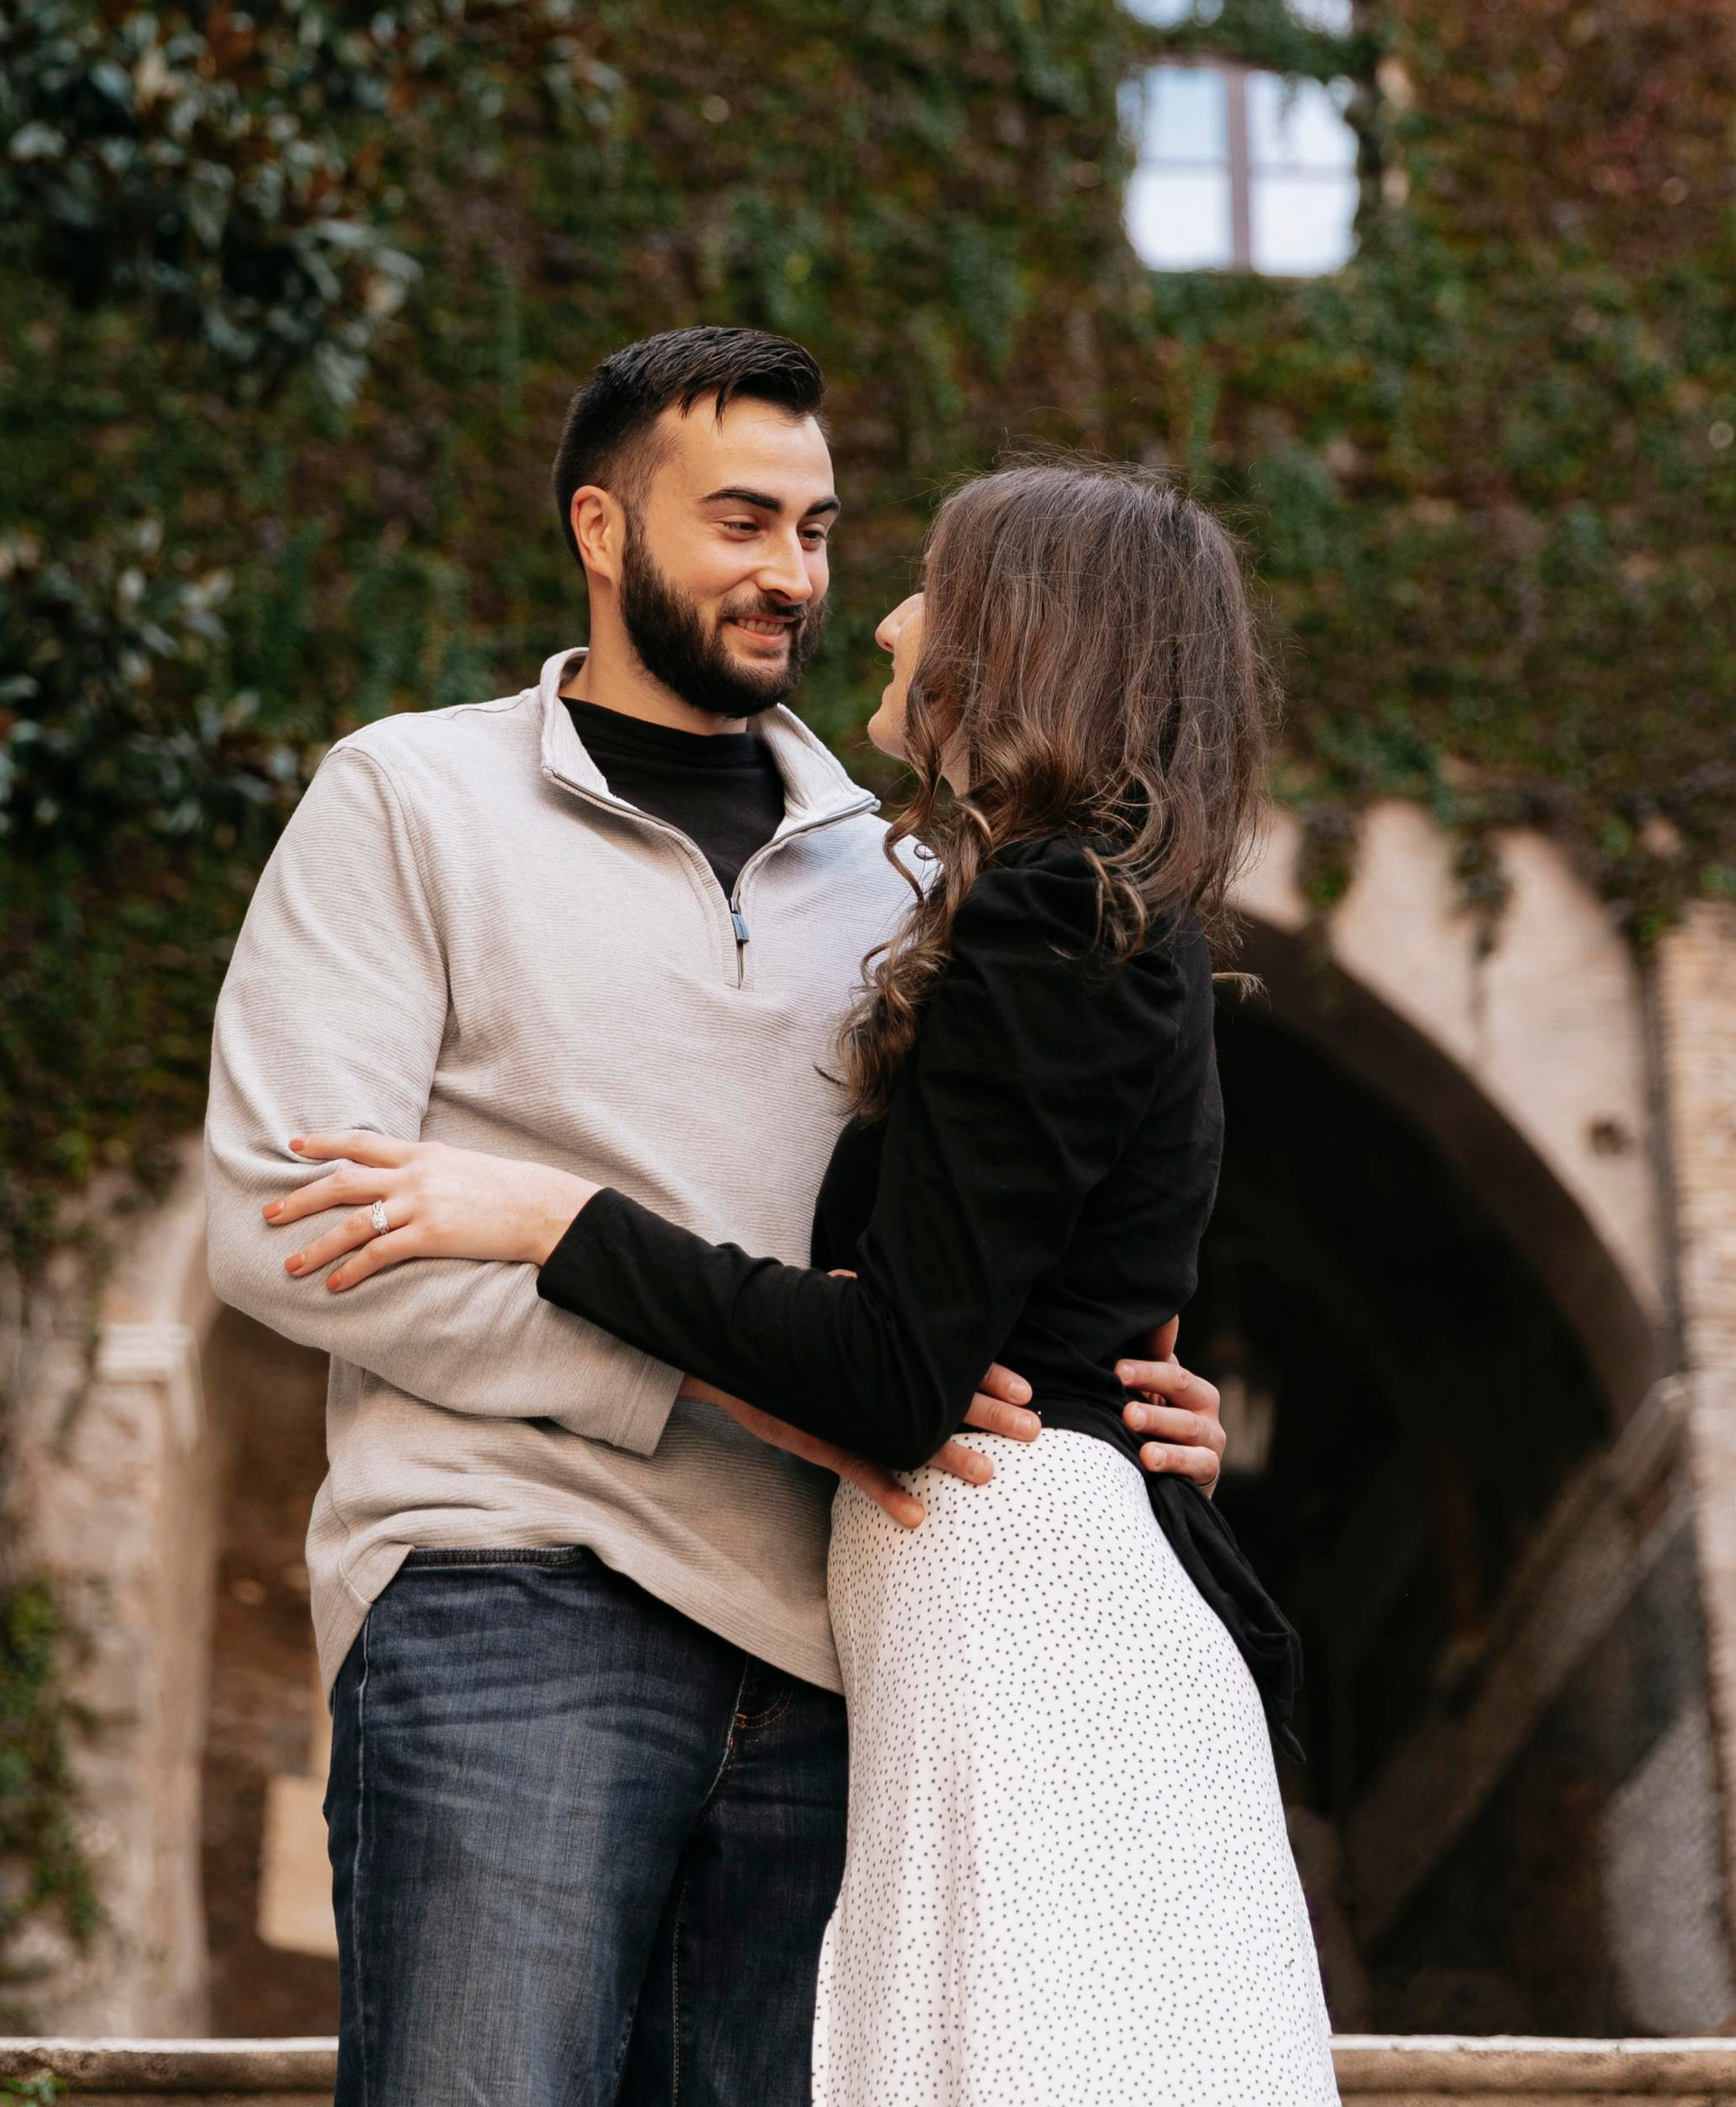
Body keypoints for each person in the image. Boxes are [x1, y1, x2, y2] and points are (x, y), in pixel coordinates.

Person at [205, 329, 1229, 2107]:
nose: (797, 577)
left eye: (823, 530)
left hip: (840, 1646)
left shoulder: (917, 874)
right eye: (740, 520)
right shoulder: (407, 797)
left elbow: (971, 1254)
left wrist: (1107, 1409)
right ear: (599, 530)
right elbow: (284, 1231)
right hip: (508, 1587)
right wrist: (700, 1391)